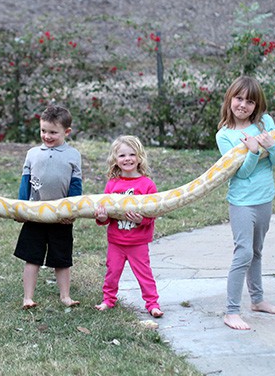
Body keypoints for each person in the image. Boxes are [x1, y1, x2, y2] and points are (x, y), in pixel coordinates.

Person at [216, 76, 275, 330]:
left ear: (257, 105)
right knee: (243, 252)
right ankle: (231, 311)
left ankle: (257, 300)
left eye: (250, 101)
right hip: (242, 202)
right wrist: (254, 153)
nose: (243, 105)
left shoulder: (265, 123)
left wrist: (272, 145)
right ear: (230, 100)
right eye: (239, 98)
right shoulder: (224, 136)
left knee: (256, 250)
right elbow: (240, 174)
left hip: (264, 198)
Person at [13, 105, 82, 309]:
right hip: (35, 215)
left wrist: (72, 210)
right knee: (31, 257)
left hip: (61, 216)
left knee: (61, 258)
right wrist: (21, 208)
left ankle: (65, 296)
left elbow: (76, 184)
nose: (47, 136)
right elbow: (25, 182)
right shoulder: (33, 153)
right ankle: (28, 297)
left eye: (53, 132)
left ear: (66, 132)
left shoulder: (73, 155)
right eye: (44, 131)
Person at [94, 135, 164, 318]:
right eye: (122, 155)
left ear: (139, 157)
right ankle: (108, 299)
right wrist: (102, 217)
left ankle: (152, 304)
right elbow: (106, 217)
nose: (127, 159)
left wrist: (142, 220)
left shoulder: (147, 185)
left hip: (138, 242)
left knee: (144, 274)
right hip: (116, 241)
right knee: (112, 272)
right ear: (115, 160)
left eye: (132, 154)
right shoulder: (112, 185)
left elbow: (153, 213)